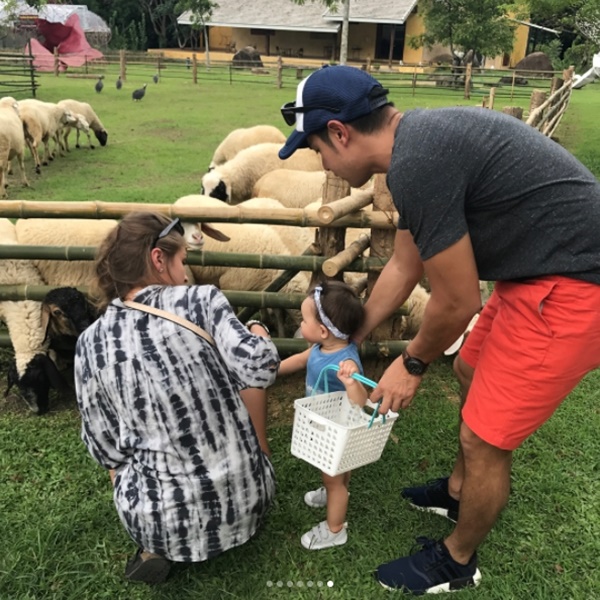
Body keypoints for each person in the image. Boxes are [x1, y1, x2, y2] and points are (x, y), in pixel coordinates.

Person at [278, 65, 600, 593]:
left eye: (317, 149)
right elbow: (405, 266)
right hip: (535, 273)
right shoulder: (414, 149)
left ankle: (457, 561)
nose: (322, 162)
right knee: (469, 367)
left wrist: (411, 364)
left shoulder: (419, 162)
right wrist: (352, 337)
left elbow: (458, 301)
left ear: (339, 132)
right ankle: (456, 493)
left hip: (576, 286)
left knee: (484, 438)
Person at [74, 212, 279, 584]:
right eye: (182, 261)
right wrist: (258, 332)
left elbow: (104, 449)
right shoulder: (201, 300)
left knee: (121, 455)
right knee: (241, 380)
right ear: (158, 259)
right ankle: (246, 482)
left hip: (158, 526)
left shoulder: (89, 343)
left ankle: (155, 538)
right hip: (249, 502)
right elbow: (260, 369)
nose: (185, 274)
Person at [278, 280, 367, 550]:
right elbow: (300, 360)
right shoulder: (320, 348)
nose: (301, 324)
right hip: (324, 423)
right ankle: (334, 491)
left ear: (323, 331)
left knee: (332, 476)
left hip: (336, 428)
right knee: (337, 470)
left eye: (304, 320)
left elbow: (360, 400)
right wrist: (272, 370)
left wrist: (351, 381)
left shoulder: (346, 361)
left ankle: (335, 529)